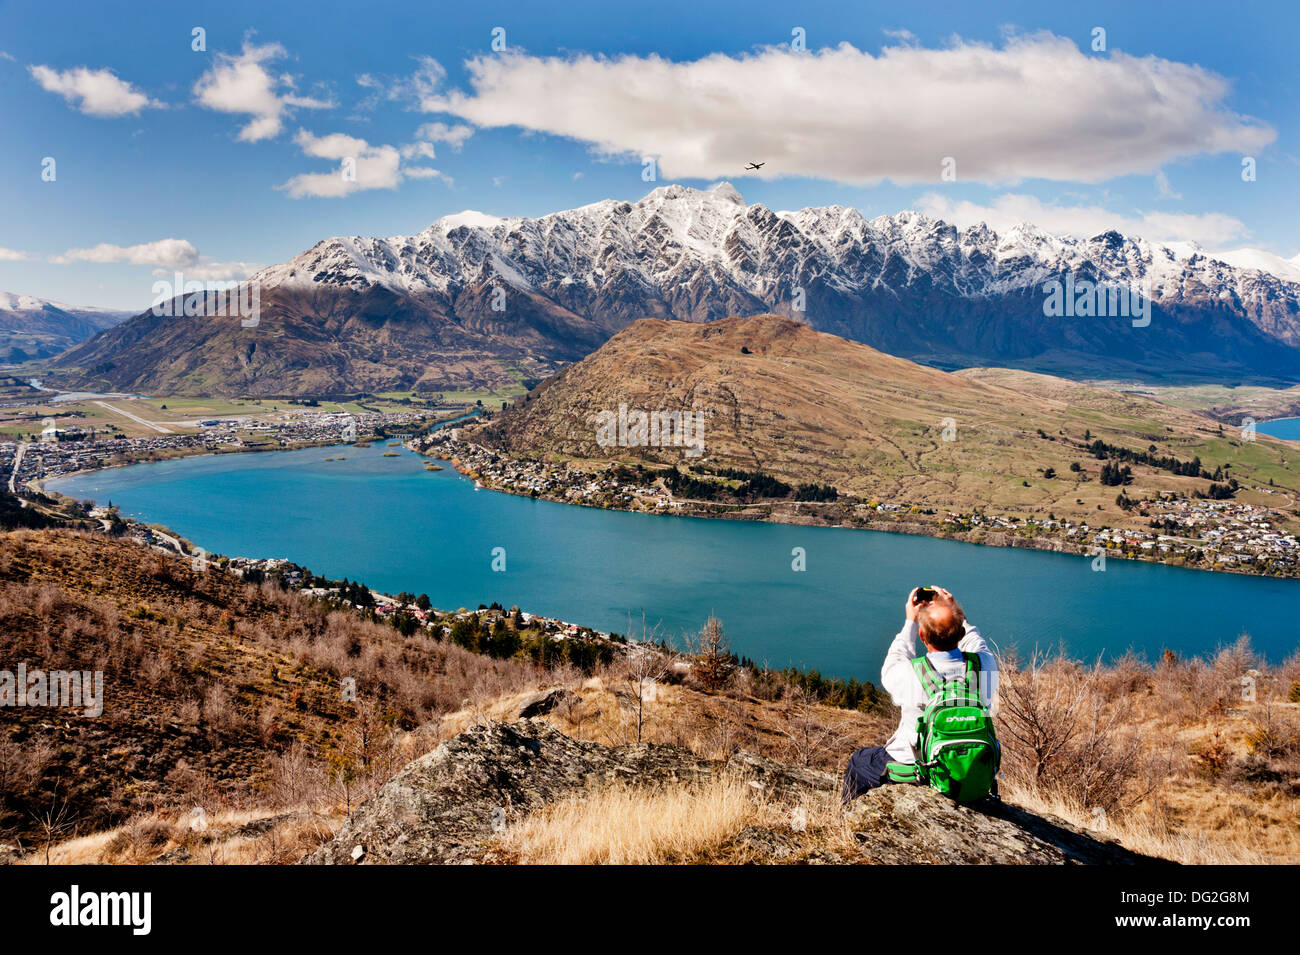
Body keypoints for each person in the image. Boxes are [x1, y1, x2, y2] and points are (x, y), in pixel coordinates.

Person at [842, 585, 998, 804]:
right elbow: (974, 640)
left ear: (923, 636)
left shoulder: (911, 673)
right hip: (970, 766)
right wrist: (955, 611)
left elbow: (897, 656)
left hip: (915, 768)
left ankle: (847, 820)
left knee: (859, 761)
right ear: (961, 632)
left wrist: (911, 622)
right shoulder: (985, 665)